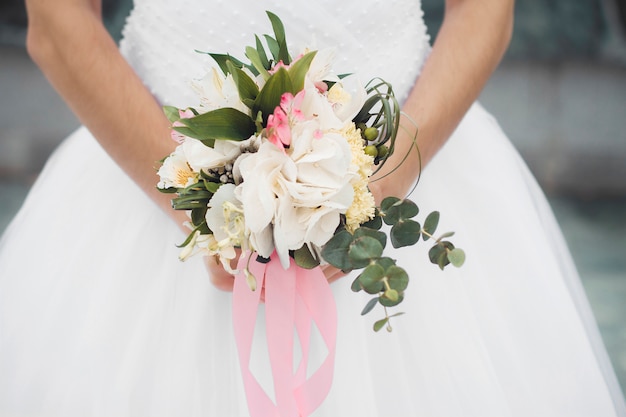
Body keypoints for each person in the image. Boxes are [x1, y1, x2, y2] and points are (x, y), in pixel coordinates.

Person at [0, 0, 624, 415]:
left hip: (406, 162)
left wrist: (374, 189)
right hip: (146, 176)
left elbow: (486, 11)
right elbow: (56, 26)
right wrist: (211, 208)